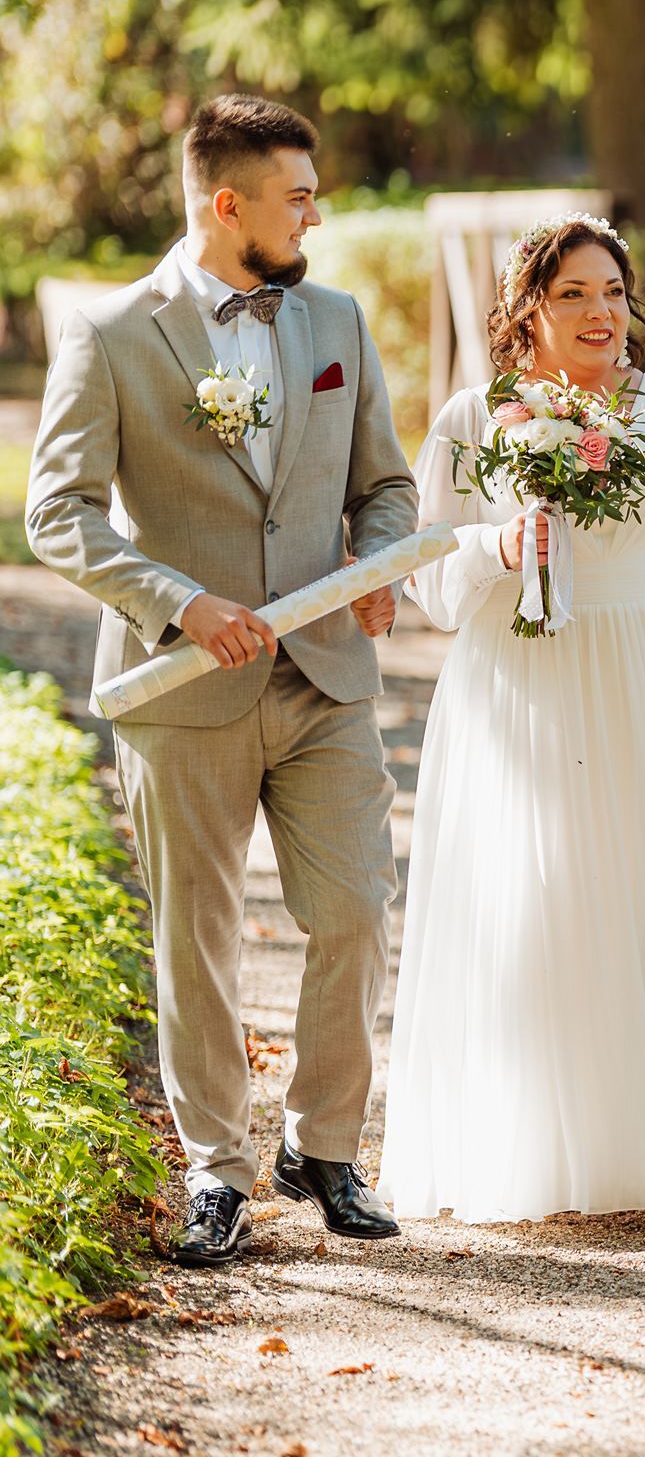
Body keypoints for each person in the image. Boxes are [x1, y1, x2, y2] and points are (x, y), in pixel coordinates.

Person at [26, 94, 418, 1264]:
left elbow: (385, 487)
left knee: (356, 909)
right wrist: (177, 601)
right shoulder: (110, 332)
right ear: (228, 203)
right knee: (197, 937)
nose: (316, 215)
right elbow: (58, 512)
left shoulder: (338, 320)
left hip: (324, 679)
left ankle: (324, 1147)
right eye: (298, 197)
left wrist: (379, 563)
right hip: (180, 684)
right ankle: (216, 1170)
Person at [376, 214, 645, 1222]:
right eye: (572, 295)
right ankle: (547, 1147)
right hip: (529, 682)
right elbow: (429, 575)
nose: (600, 313)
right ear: (528, 311)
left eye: (612, 293)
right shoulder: (474, 418)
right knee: (543, 899)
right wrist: (499, 549)